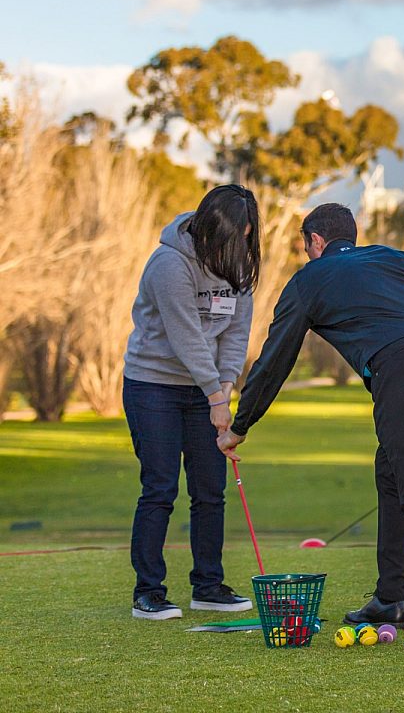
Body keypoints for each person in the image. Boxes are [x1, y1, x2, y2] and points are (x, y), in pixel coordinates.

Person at [217, 202, 404, 646]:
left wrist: (240, 425)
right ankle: (390, 598)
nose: (306, 256)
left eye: (306, 247)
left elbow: (274, 360)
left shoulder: (309, 280)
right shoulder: (398, 259)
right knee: (393, 469)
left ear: (316, 242)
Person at [123, 184, 260, 620]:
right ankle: (148, 591)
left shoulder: (240, 266)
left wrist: (225, 386)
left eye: (245, 236)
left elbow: (236, 335)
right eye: (233, 236)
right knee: (160, 488)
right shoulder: (169, 263)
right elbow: (186, 337)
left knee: (209, 491)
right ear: (209, 229)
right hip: (153, 385)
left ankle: (208, 586)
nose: (239, 244)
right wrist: (216, 397)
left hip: (205, 389)